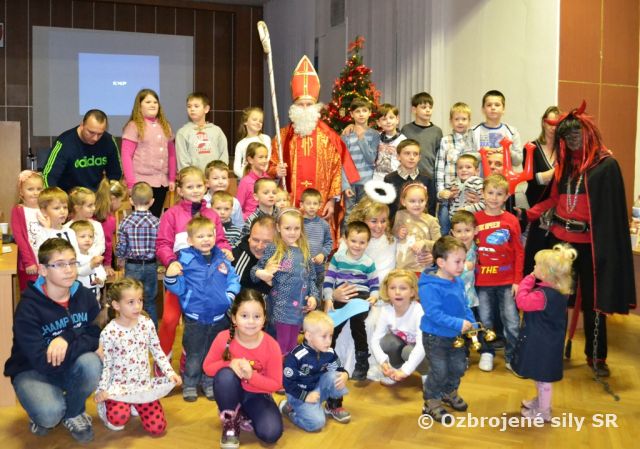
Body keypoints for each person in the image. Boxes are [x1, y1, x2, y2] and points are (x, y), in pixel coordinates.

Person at [526, 102, 636, 377]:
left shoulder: (606, 165)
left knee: (593, 302)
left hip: (592, 246)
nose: (572, 140)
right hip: (561, 242)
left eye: (576, 134)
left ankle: (596, 356)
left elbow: (610, 214)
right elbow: (553, 198)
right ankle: (550, 350)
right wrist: (528, 214)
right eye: (567, 135)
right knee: (554, 297)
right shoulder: (564, 166)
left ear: (587, 133)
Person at [4, 238, 102, 443]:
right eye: (59, 264)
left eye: (72, 262)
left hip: (66, 364)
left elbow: (96, 333)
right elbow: (42, 361)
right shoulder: (28, 307)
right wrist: (83, 339)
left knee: (92, 363)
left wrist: (67, 337)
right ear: (43, 270)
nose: (69, 270)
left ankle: (73, 412)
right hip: (32, 371)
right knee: (49, 415)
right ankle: (45, 406)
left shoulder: (84, 295)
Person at [269, 55, 359, 242]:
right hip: (290, 205)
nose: (304, 108)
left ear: (316, 106)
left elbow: (336, 171)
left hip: (321, 205)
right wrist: (276, 171)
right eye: (300, 104)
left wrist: (332, 201)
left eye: (308, 104)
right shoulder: (282, 136)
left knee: (318, 244)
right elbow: (270, 167)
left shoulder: (329, 137)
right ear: (293, 107)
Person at [156, 166, 231, 364]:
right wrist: (171, 262)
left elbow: (221, 240)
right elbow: (163, 244)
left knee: (199, 323)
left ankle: (188, 362)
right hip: (181, 279)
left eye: (199, 186)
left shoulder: (212, 215)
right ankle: (162, 363)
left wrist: (225, 250)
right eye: (190, 187)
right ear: (180, 190)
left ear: (206, 186)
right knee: (170, 320)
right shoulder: (171, 215)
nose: (195, 190)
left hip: (206, 281)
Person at [164, 216, 240, 402]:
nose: (206, 239)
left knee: (215, 352)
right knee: (194, 353)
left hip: (219, 317)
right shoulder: (184, 260)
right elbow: (178, 287)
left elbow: (233, 279)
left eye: (209, 235)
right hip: (195, 317)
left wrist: (229, 296)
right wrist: (170, 277)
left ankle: (209, 382)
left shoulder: (222, 258)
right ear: (190, 240)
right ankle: (190, 383)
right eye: (200, 236)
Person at [95, 278, 181, 435]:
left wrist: (170, 373)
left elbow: (157, 351)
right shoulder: (109, 332)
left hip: (142, 385)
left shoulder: (146, 324)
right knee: (118, 419)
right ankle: (107, 409)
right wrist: (102, 389)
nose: (137, 306)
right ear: (116, 305)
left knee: (158, 428)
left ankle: (136, 404)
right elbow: (107, 365)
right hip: (119, 387)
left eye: (140, 300)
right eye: (131, 302)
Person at [203, 289, 283, 448]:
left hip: (258, 395)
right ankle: (231, 421)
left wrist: (252, 376)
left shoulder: (272, 345)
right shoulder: (223, 338)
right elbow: (207, 368)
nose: (251, 322)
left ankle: (245, 413)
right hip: (231, 392)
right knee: (225, 376)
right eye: (244, 316)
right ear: (234, 318)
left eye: (257, 316)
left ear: (264, 318)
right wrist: (229, 364)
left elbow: (275, 384)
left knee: (271, 433)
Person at [512, 244, 576, 422]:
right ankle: (541, 402)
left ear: (546, 273)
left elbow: (522, 302)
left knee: (543, 379)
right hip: (547, 341)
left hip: (542, 343)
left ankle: (543, 411)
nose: (533, 267)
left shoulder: (542, 295)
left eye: (536, 265)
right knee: (540, 375)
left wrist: (528, 279)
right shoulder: (558, 291)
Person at [419, 236, 475, 422]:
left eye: (463, 261)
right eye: (457, 261)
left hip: (456, 337)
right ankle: (431, 402)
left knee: (459, 367)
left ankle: (449, 392)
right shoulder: (429, 286)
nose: (462, 266)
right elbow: (434, 314)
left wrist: (472, 323)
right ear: (441, 262)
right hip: (435, 338)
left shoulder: (458, 281)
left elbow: (464, 306)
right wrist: (459, 324)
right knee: (439, 371)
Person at [251, 208, 318, 355]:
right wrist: (263, 273)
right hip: (279, 308)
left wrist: (313, 296)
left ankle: (287, 368)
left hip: (298, 310)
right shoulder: (274, 248)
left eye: (296, 228)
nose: (292, 232)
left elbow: (312, 278)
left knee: (292, 347)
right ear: (278, 228)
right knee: (279, 347)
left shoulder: (305, 251)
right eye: (287, 228)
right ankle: (276, 368)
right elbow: (254, 271)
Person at [474, 174, 523, 374]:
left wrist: (518, 280)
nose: (494, 198)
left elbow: (519, 252)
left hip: (507, 281)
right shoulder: (475, 219)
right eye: (490, 193)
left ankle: (513, 357)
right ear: (483, 194)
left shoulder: (511, 220)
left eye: (499, 194)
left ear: (506, 197)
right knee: (485, 320)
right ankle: (487, 352)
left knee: (512, 321)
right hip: (482, 281)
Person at [324, 221, 379, 380]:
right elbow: (329, 281)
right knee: (332, 325)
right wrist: (328, 298)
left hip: (361, 297)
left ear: (367, 243)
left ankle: (362, 360)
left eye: (362, 242)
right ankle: (328, 359)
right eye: (353, 241)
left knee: (357, 324)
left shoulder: (368, 262)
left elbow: (374, 284)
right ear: (345, 239)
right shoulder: (337, 258)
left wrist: (374, 296)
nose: (357, 245)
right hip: (342, 296)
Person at [279, 311, 350, 431]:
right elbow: (288, 384)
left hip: (317, 390)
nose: (328, 341)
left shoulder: (329, 352)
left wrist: (345, 375)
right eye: (324, 336)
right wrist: (305, 396)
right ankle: (290, 409)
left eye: (330, 336)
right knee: (317, 423)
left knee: (337, 376)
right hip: (298, 394)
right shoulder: (296, 356)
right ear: (308, 336)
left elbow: (339, 369)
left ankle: (333, 406)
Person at [121, 88, 176, 218]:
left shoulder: (165, 126)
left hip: (161, 183)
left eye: (155, 102)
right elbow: (126, 156)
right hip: (141, 183)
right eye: (148, 102)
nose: (153, 105)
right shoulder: (134, 126)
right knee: (141, 218)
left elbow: (172, 154)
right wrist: (131, 183)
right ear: (139, 107)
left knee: (155, 218)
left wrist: (172, 178)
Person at [114, 181, 160, 327]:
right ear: (152, 201)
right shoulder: (157, 222)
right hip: (151, 265)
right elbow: (160, 245)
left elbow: (121, 246)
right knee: (150, 300)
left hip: (132, 266)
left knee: (131, 299)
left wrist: (120, 258)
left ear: (131, 201)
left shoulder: (125, 222)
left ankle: (133, 329)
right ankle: (152, 332)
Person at [370, 269, 427, 386]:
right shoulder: (386, 310)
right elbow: (375, 340)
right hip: (407, 345)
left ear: (412, 292)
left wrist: (406, 371)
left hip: (427, 349)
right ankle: (395, 370)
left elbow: (422, 345)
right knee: (386, 341)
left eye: (403, 288)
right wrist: (383, 361)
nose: (397, 292)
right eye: (392, 288)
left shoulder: (418, 311)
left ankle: (428, 374)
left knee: (407, 351)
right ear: (387, 291)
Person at [43, 109, 122, 192]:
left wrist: (109, 192)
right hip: (70, 195)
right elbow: (48, 176)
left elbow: (115, 174)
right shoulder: (64, 142)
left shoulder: (108, 140)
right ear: (82, 125)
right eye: (91, 132)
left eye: (100, 134)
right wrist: (55, 197)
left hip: (96, 194)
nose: (95, 138)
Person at [523, 106, 560, 274]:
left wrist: (544, 176)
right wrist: (555, 173)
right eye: (550, 122)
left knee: (555, 254)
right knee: (535, 252)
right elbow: (531, 179)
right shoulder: (531, 147)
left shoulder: (564, 149)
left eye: (557, 123)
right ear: (543, 123)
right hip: (536, 206)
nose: (553, 127)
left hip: (558, 209)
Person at [435, 102, 478, 235]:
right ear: (451, 121)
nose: (460, 122)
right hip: (449, 195)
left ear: (469, 121)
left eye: (464, 119)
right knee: (445, 229)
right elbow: (440, 168)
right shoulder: (445, 140)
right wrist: (441, 192)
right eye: (456, 119)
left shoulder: (474, 141)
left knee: (466, 230)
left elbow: (478, 167)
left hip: (468, 195)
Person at [400, 92, 443, 216]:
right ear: (414, 109)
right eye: (423, 107)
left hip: (429, 178)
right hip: (410, 177)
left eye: (430, 107)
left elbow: (439, 156)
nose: (428, 110)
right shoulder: (406, 129)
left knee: (429, 211)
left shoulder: (437, 131)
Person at [341, 97, 380, 220]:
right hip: (350, 182)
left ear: (370, 113)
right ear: (352, 114)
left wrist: (361, 138)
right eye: (357, 111)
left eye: (364, 110)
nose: (361, 114)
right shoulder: (346, 135)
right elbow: (342, 162)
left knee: (365, 215)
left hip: (367, 182)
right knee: (349, 216)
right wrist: (345, 185)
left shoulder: (374, 135)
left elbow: (371, 159)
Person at [392, 183, 441, 273]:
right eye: (412, 201)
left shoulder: (431, 220)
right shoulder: (399, 215)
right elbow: (393, 234)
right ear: (403, 201)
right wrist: (397, 232)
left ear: (426, 200)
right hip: (401, 268)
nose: (417, 204)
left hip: (422, 269)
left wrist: (425, 243)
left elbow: (440, 244)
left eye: (421, 201)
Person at [176, 92, 228, 171]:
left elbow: (223, 155)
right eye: (189, 106)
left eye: (196, 106)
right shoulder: (182, 132)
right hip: (193, 176)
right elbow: (182, 160)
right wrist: (191, 175)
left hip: (214, 176)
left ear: (206, 109)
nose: (192, 109)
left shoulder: (217, 131)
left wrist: (218, 172)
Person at [11, 170, 45, 290]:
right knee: (30, 294)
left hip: (47, 262)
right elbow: (20, 238)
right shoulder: (18, 211)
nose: (35, 193)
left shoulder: (47, 209)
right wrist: (28, 262)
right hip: (29, 264)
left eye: (39, 189)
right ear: (21, 192)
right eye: (30, 189)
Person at [472, 90, 523, 168]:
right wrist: (482, 154)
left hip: (504, 176)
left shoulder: (512, 131)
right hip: (479, 176)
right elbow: (465, 157)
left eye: (497, 105)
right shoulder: (473, 131)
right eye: (489, 105)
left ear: (503, 109)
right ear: (483, 109)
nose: (493, 108)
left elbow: (518, 161)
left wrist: (508, 151)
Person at [383, 139, 430, 219]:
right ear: (398, 156)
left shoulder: (427, 179)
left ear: (419, 157)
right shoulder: (389, 179)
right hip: (396, 224)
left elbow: (430, 210)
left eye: (415, 154)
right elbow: (386, 208)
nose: (412, 157)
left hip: (420, 224)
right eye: (407, 153)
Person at [301, 188, 333, 295]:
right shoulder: (298, 223)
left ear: (320, 205)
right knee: (301, 295)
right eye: (308, 203)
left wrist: (323, 254)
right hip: (301, 267)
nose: (312, 206)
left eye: (315, 203)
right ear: (302, 205)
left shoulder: (324, 224)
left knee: (317, 295)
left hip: (318, 268)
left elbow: (328, 242)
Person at [94, 178, 127, 277]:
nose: (121, 204)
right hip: (98, 260)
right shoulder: (109, 219)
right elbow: (107, 243)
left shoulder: (93, 212)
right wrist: (107, 264)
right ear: (113, 199)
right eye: (121, 200)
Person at [450, 211, 480, 317]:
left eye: (467, 230)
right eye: (459, 231)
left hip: (471, 297)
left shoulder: (477, 248)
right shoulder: (450, 251)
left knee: (472, 324)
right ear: (453, 233)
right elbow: (446, 270)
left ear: (475, 230)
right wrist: (465, 266)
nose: (463, 235)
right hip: (454, 297)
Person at [33, 187, 79, 255]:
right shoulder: (42, 234)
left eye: (65, 207)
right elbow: (42, 256)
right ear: (44, 211)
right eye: (57, 208)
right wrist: (47, 230)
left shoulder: (70, 232)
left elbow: (76, 255)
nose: (62, 211)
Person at [69, 220, 106, 302]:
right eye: (83, 236)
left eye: (91, 236)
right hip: (79, 299)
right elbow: (79, 272)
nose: (87, 239)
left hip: (95, 297)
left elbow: (101, 271)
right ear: (72, 239)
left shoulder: (93, 255)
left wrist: (100, 280)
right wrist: (91, 265)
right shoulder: (73, 258)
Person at [65, 186, 106, 258]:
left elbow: (101, 246)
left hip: (94, 261)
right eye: (90, 206)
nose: (94, 208)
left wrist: (89, 256)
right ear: (77, 208)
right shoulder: (67, 228)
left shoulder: (97, 225)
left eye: (94, 204)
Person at [233, 107, 271, 179]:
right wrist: (248, 178)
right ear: (245, 122)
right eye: (254, 119)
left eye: (261, 121)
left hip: (261, 178)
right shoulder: (241, 144)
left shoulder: (266, 139)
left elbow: (268, 159)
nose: (258, 123)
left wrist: (260, 176)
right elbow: (236, 168)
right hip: (246, 178)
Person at [204, 160, 244, 227]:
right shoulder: (202, 202)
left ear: (228, 181)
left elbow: (239, 225)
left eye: (224, 178)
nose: (220, 182)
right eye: (215, 178)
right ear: (207, 183)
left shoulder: (234, 202)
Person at [236, 142, 271, 219]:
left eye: (266, 157)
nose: (264, 160)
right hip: (251, 221)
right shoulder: (245, 182)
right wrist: (248, 218)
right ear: (250, 160)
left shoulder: (268, 179)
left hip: (267, 220)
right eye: (261, 157)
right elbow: (238, 208)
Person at [373, 103, 406, 181]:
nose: (388, 121)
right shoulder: (376, 137)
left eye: (391, 118)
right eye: (384, 119)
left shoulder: (403, 140)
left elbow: (406, 162)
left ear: (397, 119)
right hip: (377, 179)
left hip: (395, 179)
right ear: (378, 123)